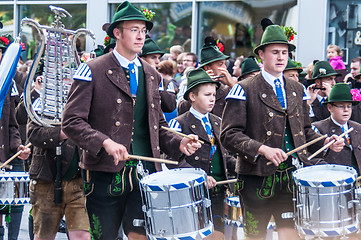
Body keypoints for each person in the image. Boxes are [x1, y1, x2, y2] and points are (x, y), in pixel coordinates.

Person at [61, 2, 201, 240]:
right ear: (117, 33)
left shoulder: (151, 74)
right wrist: (104, 142)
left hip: (145, 173)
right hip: (104, 174)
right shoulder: (92, 70)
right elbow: (72, 121)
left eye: (143, 31)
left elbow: (157, 126)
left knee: (141, 236)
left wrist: (178, 143)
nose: (140, 36)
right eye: (134, 29)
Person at [220, 19, 344, 240]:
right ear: (261, 55)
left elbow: (305, 131)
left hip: (291, 177)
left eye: (284, 52)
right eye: (274, 52)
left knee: (291, 235)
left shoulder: (298, 89)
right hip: (255, 179)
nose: (280, 57)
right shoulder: (243, 88)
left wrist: (324, 142)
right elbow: (229, 135)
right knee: (255, 237)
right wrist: (263, 149)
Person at [168, 68, 235, 239]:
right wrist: (199, 176)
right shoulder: (179, 123)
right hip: (192, 195)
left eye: (214, 94)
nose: (212, 98)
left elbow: (226, 157)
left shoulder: (218, 122)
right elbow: (172, 161)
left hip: (218, 192)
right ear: (192, 96)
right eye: (207, 95)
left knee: (218, 234)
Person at [27, 121, 91, 240]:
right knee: (44, 236)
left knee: (83, 236)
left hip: (80, 180)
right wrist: (63, 133)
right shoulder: (43, 102)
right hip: (46, 178)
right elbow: (33, 133)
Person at [0, 33, 31, 240]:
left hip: (8, 155)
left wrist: (18, 145)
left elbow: (12, 124)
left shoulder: (7, 82)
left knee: (15, 205)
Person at [178, 37, 236, 117]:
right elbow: (182, 108)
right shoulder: (188, 83)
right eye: (220, 64)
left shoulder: (225, 89)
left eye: (224, 64)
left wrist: (233, 85)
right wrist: (200, 84)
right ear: (208, 68)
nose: (225, 68)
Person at [312, 83, 361, 173]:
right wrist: (330, 171)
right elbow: (312, 159)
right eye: (341, 106)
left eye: (349, 106)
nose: (346, 110)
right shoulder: (317, 128)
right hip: (334, 181)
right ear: (330, 107)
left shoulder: (358, 128)